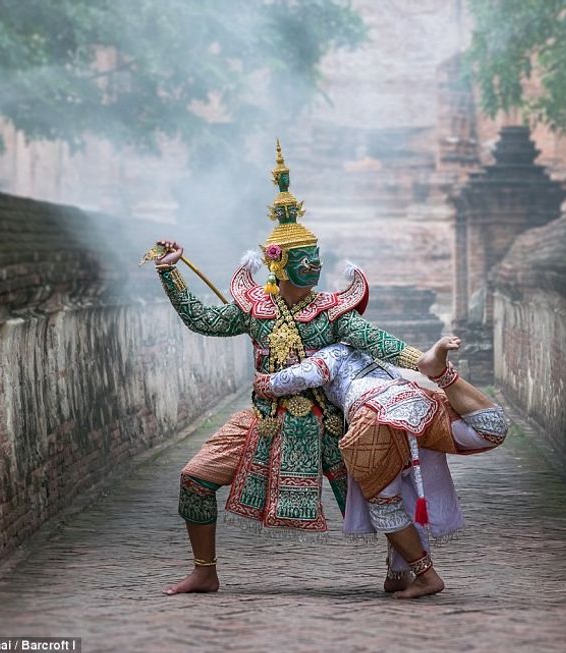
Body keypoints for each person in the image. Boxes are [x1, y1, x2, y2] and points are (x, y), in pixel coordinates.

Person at [156, 141, 426, 595]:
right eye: (306, 258)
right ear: (278, 264)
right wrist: (170, 273)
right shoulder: (253, 308)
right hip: (263, 423)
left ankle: (411, 569)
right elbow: (202, 319)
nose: (315, 264)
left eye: (316, 256)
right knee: (194, 479)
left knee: (381, 496)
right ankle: (205, 570)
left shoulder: (333, 313)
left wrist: (427, 363)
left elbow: (379, 342)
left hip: (329, 427)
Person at [253, 335, 509, 598]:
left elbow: (307, 374)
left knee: (384, 504)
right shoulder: (375, 350)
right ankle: (444, 376)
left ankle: (426, 575)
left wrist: (268, 383)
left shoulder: (333, 352)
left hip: (374, 416)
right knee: (490, 429)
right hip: (415, 403)